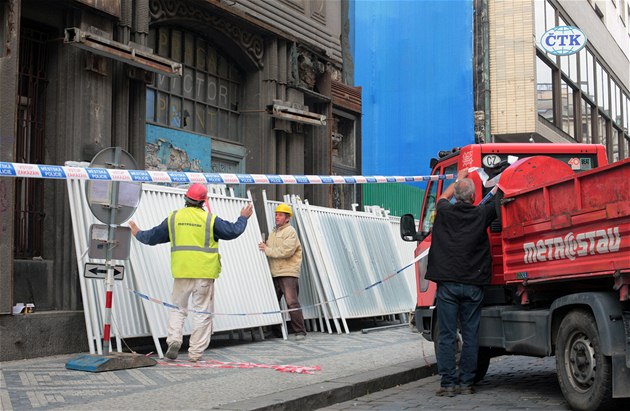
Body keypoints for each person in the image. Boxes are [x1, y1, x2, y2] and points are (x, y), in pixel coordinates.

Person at [128, 183, 253, 362]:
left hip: (182, 272)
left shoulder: (174, 218)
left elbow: (152, 237)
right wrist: (243, 217)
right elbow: (233, 231)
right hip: (204, 273)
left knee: (177, 309)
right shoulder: (210, 219)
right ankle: (195, 353)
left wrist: (138, 232)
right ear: (203, 201)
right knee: (202, 312)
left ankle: (174, 341)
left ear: (186, 199)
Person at [425, 168, 497, 397]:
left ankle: (447, 384)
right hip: (474, 284)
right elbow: (497, 197)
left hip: (448, 284)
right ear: (474, 197)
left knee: (446, 335)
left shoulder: (445, 212)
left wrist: (459, 178)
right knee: (470, 334)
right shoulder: (481, 214)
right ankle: (466, 383)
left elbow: (443, 198)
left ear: (457, 196)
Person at [258, 203, 306, 340]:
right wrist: (265, 246)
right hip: (275, 272)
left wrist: (266, 249)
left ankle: (300, 331)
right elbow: (270, 248)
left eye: (280, 215)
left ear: (287, 218)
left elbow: (286, 251)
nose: (277, 217)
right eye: (276, 214)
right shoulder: (274, 232)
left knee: (292, 302)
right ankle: (276, 331)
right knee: (273, 302)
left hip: (288, 272)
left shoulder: (290, 231)